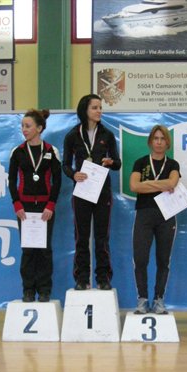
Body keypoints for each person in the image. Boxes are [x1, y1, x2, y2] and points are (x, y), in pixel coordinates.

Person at [62, 94, 121, 290]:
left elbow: (118, 163)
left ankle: (103, 278)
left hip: (102, 192)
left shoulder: (107, 135)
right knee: (82, 237)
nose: (99, 111)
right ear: (85, 110)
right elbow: (65, 165)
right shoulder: (72, 135)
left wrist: (111, 162)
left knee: (102, 237)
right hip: (82, 192)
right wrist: (74, 174)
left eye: (100, 107)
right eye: (95, 107)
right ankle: (82, 279)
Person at [8, 109, 62, 302]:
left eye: (28, 126)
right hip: (25, 210)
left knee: (45, 250)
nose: (24, 129)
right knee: (29, 250)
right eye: (22, 126)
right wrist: (17, 205)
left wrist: (51, 205)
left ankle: (45, 290)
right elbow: (11, 180)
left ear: (39, 128)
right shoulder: (18, 152)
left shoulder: (50, 151)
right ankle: (28, 290)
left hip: (45, 210)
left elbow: (57, 181)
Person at [130, 125, 181, 314]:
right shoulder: (140, 162)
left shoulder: (173, 165)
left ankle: (159, 299)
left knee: (163, 259)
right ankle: (142, 299)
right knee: (140, 258)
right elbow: (134, 186)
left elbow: (172, 183)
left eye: (162, 139)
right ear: (150, 141)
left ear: (167, 142)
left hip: (166, 216)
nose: (159, 142)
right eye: (156, 138)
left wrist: (148, 185)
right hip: (144, 214)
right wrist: (161, 185)